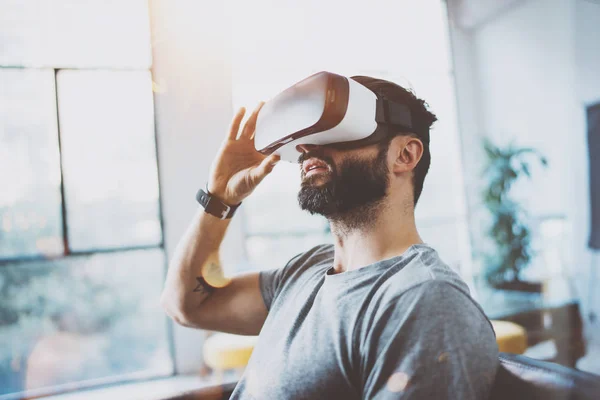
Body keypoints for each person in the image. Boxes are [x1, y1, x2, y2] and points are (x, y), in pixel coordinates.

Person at [161, 76, 499, 399]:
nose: (308, 147)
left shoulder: (424, 301)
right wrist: (219, 198)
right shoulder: (307, 270)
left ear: (405, 155)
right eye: (311, 133)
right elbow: (187, 306)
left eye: (337, 130)